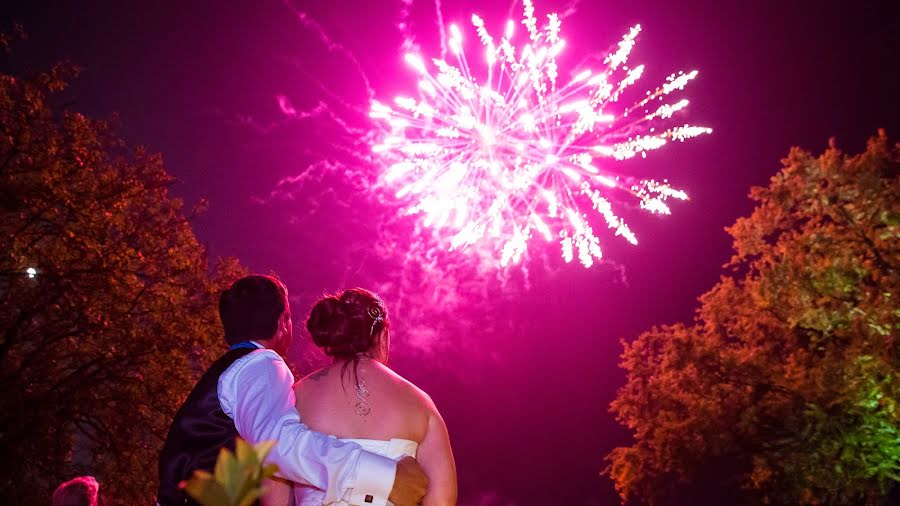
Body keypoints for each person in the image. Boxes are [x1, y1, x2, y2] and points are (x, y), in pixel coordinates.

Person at [157, 275, 428, 505]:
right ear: (281, 323)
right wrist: (385, 477)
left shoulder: (228, 371)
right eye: (289, 315)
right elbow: (278, 444)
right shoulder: (261, 364)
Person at [261, 288, 457, 506]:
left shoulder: (295, 396)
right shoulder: (419, 402)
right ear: (383, 337)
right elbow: (442, 499)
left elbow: (274, 497)